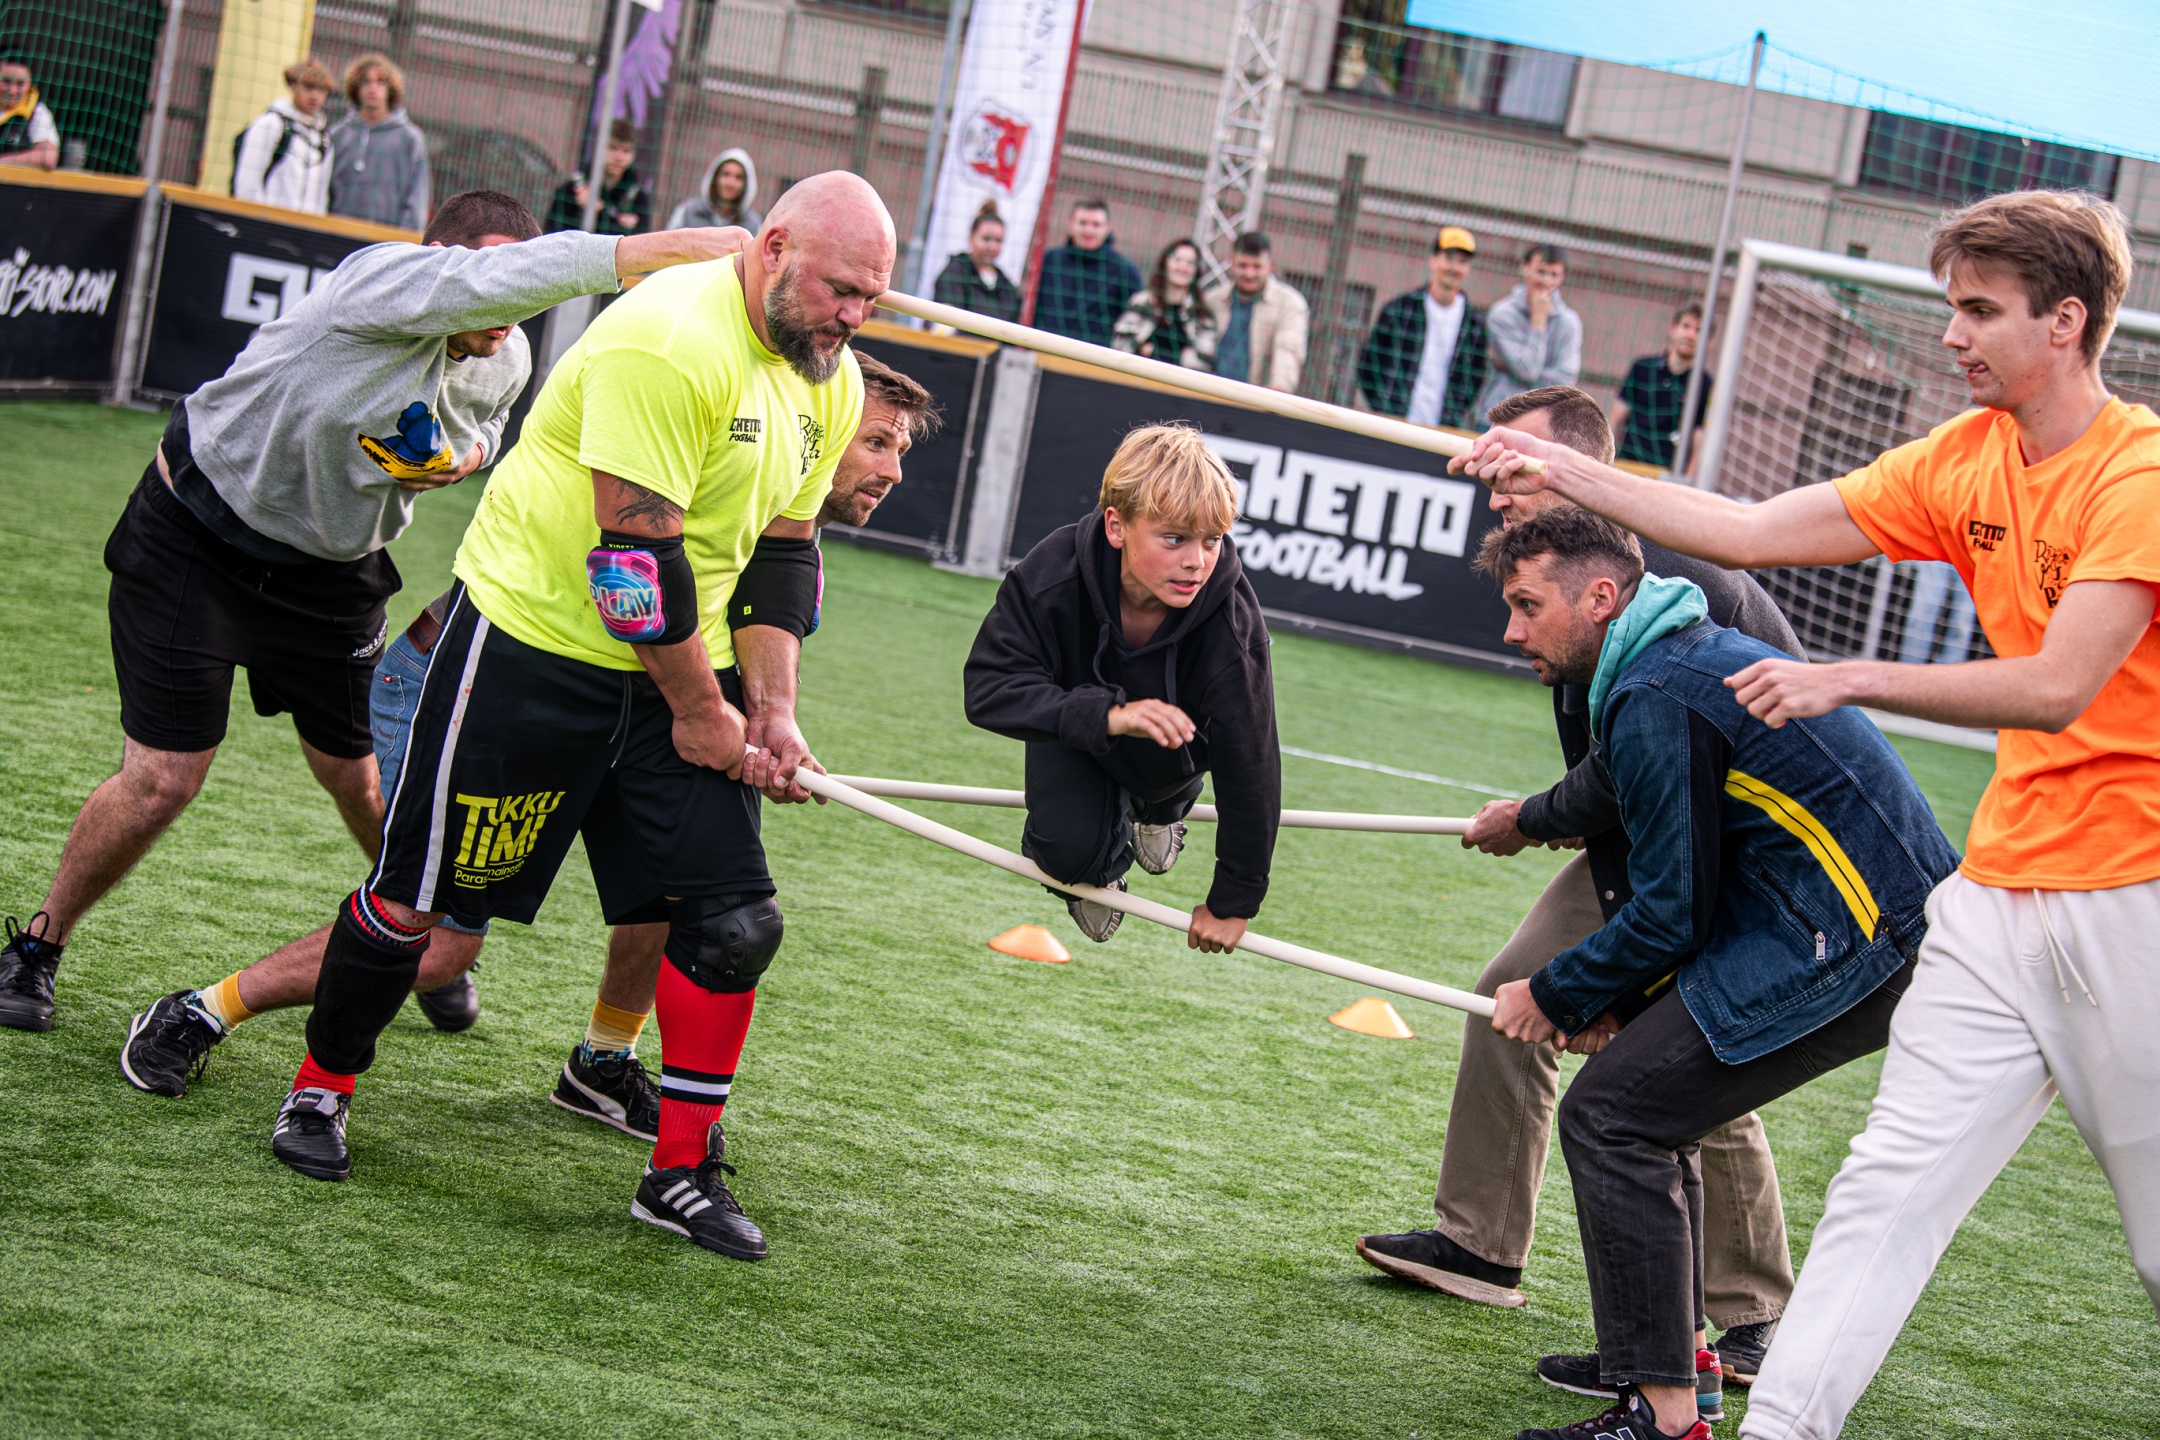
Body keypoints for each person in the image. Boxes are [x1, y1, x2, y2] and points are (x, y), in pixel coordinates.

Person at [1447, 188, 2160, 1440]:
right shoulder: (1966, 455)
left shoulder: (2140, 473)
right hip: (1993, 899)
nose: (1952, 334)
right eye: (1951, 306)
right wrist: (1561, 469)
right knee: (1881, 1196)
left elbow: (2059, 686)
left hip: (2131, 902)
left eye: (1979, 310)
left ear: (2067, 321)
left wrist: (1847, 676)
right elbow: (1746, 530)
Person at [221, 175, 890, 1273]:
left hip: (681, 666)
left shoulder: (834, 378)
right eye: (839, 290)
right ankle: (321, 1086)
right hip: (530, 651)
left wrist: (771, 710)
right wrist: (703, 712)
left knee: (734, 922)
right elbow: (630, 566)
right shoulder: (668, 338)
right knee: (414, 903)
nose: (853, 316)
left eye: (872, 297)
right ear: (773, 248)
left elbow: (783, 554)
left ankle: (678, 1172)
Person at [116, 354, 940, 1144]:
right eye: (876, 442)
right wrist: (720, 719)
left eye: (900, 450)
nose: (892, 471)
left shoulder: (784, 534)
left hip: (641, 714)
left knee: (673, 894)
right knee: (440, 943)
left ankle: (602, 1063)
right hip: (472, 690)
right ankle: (203, 1011)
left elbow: (737, 655)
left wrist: (767, 725)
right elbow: (631, 582)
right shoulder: (710, 465)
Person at [0, 193, 749, 1038]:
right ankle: (36, 947)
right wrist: (652, 249)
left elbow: (492, 426)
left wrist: (464, 456)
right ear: (439, 263)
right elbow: (503, 278)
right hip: (196, 538)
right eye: (495, 278)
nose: (509, 309)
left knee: (357, 778)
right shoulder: (378, 282)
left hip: (333, 575)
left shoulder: (505, 355)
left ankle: (403, 937)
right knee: (163, 780)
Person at [1469, 509, 1955, 1440]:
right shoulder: (1665, 655)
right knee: (1652, 1111)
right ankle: (1677, 1370)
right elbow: (1612, 787)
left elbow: (1670, 912)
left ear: (1599, 597)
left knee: (1612, 1114)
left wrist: (1557, 994)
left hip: (1862, 939)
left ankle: (1662, 1416)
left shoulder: (1656, 688)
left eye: (1528, 606)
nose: (1511, 630)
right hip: (1846, 921)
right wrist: (1529, 819)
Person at [1354, 386, 1805, 1389]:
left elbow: (1776, 744)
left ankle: (1756, 1318)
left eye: (1512, 467)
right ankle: (1480, 1245)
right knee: (1507, 993)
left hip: (1739, 856)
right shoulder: (1557, 574)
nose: (1492, 489)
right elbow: (1617, 765)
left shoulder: (1688, 577)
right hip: (1638, 840)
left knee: (1688, 1053)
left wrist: (1551, 837)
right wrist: (1546, 814)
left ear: (1583, 472)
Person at [963, 424, 1280, 949]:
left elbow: (1252, 763)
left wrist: (1234, 899)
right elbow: (988, 688)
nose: (1197, 561)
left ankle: (1161, 812)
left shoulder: (1233, 624)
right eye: (1174, 538)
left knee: (1163, 782)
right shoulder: (1051, 574)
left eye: (1212, 540)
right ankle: (1102, 863)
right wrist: (1109, 716)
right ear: (1116, 525)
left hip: (1171, 755)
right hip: (1077, 734)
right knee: (1065, 858)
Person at [1356, 225, 1488, 427]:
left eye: (1462, 262)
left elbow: (1475, 379)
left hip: (1443, 429)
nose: (1454, 268)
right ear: (1433, 260)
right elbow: (1368, 363)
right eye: (1449, 259)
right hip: (1394, 424)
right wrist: (1384, 408)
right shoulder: (1399, 310)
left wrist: (1455, 412)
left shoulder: (1474, 325)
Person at [1479, 243, 1581, 421]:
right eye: (1540, 272)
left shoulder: (1569, 323)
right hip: (1500, 417)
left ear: (1562, 278)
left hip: (1543, 423)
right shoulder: (1502, 314)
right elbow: (1528, 371)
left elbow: (1566, 383)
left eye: (1554, 275)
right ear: (1525, 268)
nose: (1546, 281)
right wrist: (1538, 322)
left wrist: (1513, 368)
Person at [328, 54, 429, 232]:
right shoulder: (338, 134)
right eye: (366, 82)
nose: (372, 88)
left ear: (391, 89)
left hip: (385, 240)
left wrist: (404, 239)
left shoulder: (410, 138)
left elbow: (417, 197)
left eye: (380, 82)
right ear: (356, 88)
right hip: (336, 232)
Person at [1203, 232, 1308, 393]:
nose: (1249, 274)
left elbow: (1288, 351)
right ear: (1231, 262)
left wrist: (1277, 392)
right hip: (1208, 392)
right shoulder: (1213, 299)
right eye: (1243, 266)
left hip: (1255, 398)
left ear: (1270, 266)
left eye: (1257, 267)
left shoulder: (1289, 303)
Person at [1033, 198, 1143, 347]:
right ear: (1070, 224)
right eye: (1083, 223)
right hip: (1042, 349)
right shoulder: (1050, 259)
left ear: (1108, 228)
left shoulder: (1125, 271)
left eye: (1096, 225)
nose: (1088, 231)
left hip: (1092, 358)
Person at [1613, 302, 1709, 471]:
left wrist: (1685, 482)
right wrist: (1604, 462)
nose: (1690, 335)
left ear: (1708, 340)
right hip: (1627, 466)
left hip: (1667, 476)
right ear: (1673, 328)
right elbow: (1615, 418)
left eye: (1699, 330)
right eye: (1686, 326)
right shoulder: (1642, 367)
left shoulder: (1704, 383)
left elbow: (1699, 441)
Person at [232, 57, 334, 215]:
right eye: (308, 88)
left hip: (305, 227)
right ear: (292, 86)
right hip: (268, 222)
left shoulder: (324, 139)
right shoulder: (270, 124)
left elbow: (321, 197)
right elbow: (247, 182)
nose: (315, 96)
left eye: (321, 90)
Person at [1112, 238, 1216, 370]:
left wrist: (1153, 352)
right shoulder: (1142, 302)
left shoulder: (1202, 315)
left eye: (1190, 263)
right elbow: (1120, 346)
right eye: (1177, 260)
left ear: (1197, 270)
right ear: (1165, 262)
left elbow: (1204, 363)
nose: (1183, 267)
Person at [548, 119, 652, 237]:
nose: (619, 157)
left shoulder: (638, 199)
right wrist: (618, 223)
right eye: (612, 148)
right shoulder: (572, 189)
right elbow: (552, 236)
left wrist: (599, 211)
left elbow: (642, 244)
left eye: (626, 151)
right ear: (598, 147)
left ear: (634, 155)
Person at [931, 202, 1021, 323]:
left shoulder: (1007, 287)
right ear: (971, 238)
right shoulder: (956, 272)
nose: (991, 247)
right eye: (986, 239)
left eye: (998, 240)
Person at [1896, 560, 1978, 665]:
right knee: (1922, 612)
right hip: (1937, 555)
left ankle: (1950, 670)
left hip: (1969, 555)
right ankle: (1911, 667)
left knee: (1962, 620)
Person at [668, 146, 760, 232]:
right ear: (715, 177)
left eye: (738, 177)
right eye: (726, 174)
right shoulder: (688, 212)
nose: (730, 183)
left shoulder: (752, 225)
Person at [0, 56, 59, 170]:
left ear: (30, 84)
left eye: (20, 84)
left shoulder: (37, 111)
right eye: (6, 81)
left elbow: (48, 157)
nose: (12, 91)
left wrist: (3, 162)